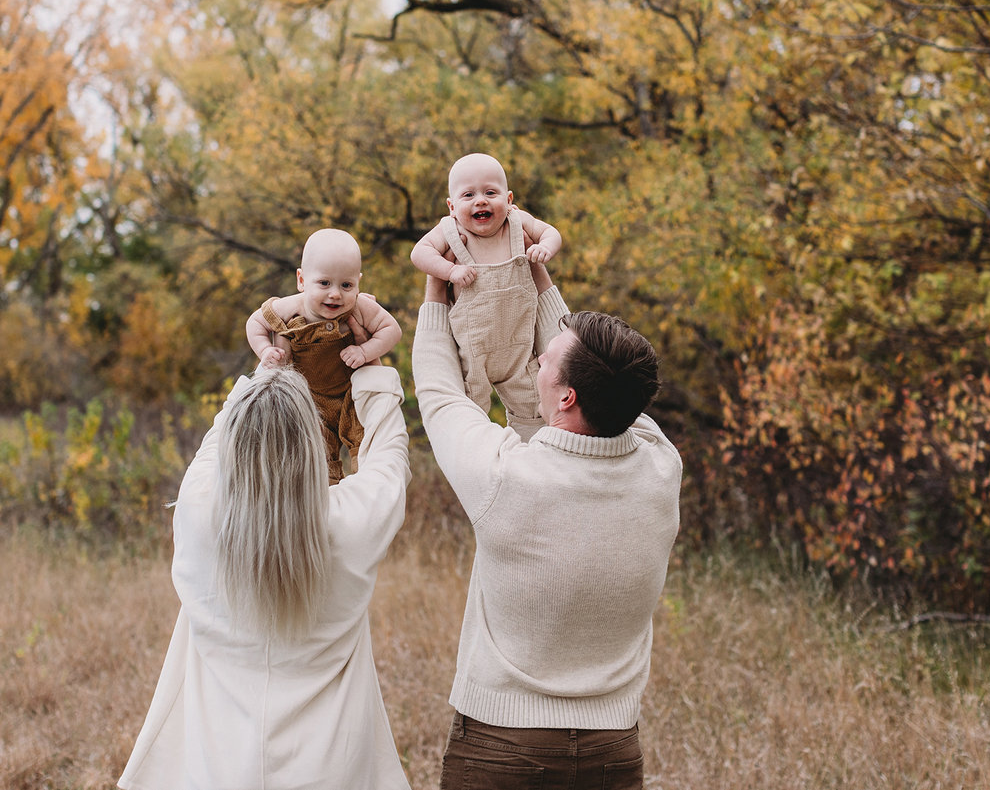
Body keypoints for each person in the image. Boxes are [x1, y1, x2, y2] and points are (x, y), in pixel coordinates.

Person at [412, 275, 681, 790]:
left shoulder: (507, 479)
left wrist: (433, 294)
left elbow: (440, 394)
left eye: (547, 361)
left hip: (501, 750)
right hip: (613, 751)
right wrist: (538, 282)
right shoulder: (661, 467)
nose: (537, 362)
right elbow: (611, 381)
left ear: (566, 397)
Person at [118, 363, 412, 790]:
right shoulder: (348, 527)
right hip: (331, 769)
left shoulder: (198, 513)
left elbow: (217, 437)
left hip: (215, 770)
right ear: (313, 448)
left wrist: (270, 360)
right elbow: (390, 460)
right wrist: (369, 367)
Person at [410, 152, 563, 439]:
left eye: (490, 192)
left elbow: (551, 232)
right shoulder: (449, 231)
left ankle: (531, 457)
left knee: (534, 413)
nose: (480, 200)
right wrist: (449, 271)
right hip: (473, 352)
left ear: (508, 199)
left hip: (519, 348)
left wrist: (545, 249)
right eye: (468, 195)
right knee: (470, 421)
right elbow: (419, 253)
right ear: (452, 206)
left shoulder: (517, 223)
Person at [247, 228, 403, 482]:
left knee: (367, 448)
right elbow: (255, 323)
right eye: (324, 283)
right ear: (301, 280)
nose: (335, 294)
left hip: (352, 394)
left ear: (358, 283)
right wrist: (266, 350)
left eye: (346, 285)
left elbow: (391, 330)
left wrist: (364, 351)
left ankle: (366, 490)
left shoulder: (360, 307)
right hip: (311, 400)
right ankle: (328, 495)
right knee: (318, 458)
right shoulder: (289, 308)